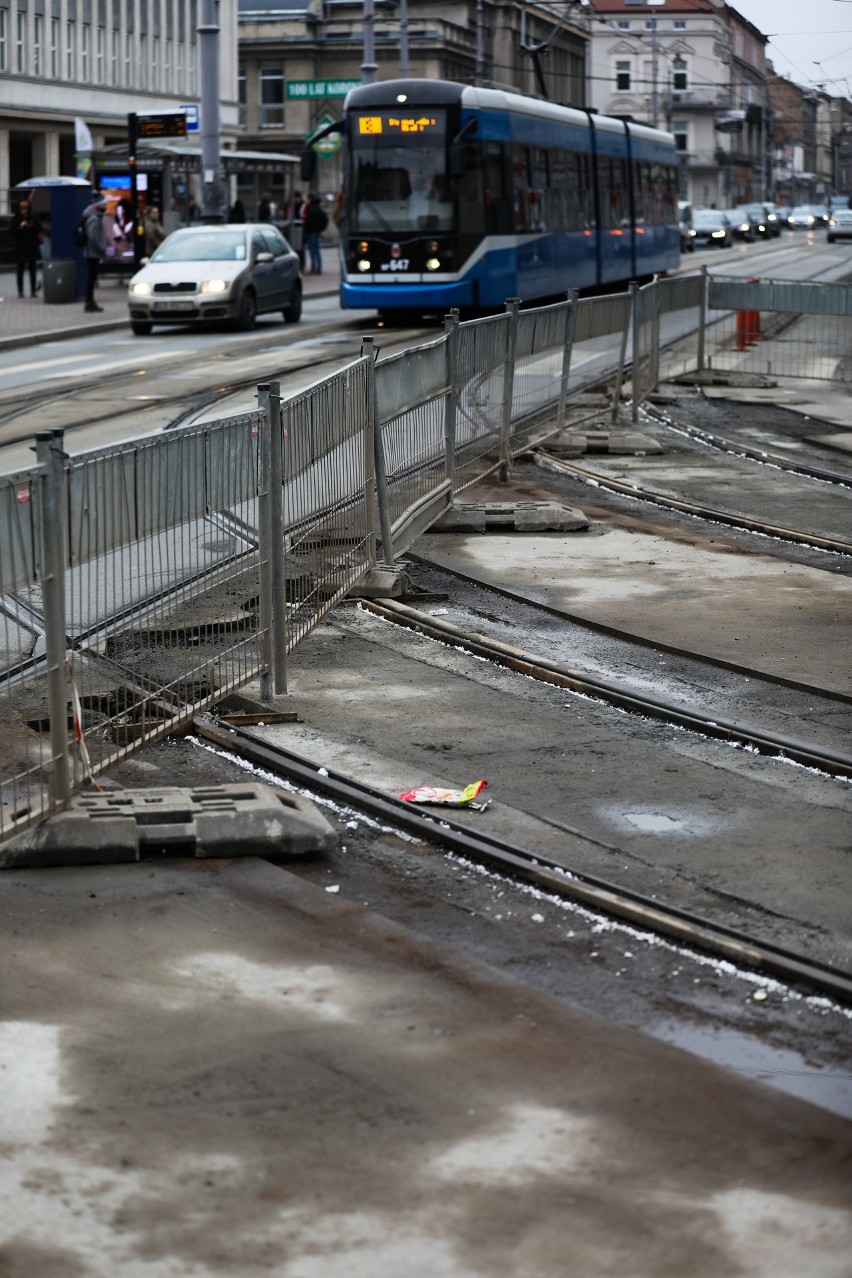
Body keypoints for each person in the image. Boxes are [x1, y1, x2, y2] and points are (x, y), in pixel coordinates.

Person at [11, 198, 43, 299]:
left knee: (32, 269)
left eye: (25, 208)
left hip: (31, 246)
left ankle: (33, 291)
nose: (24, 210)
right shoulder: (16, 218)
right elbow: (12, 232)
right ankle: (20, 291)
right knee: (20, 269)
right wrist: (21, 227)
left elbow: (39, 229)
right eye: (22, 208)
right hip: (21, 247)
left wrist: (31, 225)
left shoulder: (33, 217)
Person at [82, 197, 108, 313]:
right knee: (91, 278)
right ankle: (89, 302)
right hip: (93, 253)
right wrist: (102, 248)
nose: (105, 207)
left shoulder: (93, 217)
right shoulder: (94, 219)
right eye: (103, 205)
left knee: (91, 278)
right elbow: (93, 238)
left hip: (91, 252)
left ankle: (90, 302)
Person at [303, 193, 328, 275]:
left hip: (311, 231)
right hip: (315, 231)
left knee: (313, 250)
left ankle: (315, 267)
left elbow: (309, 221)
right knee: (316, 250)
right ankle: (318, 267)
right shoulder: (317, 208)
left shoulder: (311, 208)